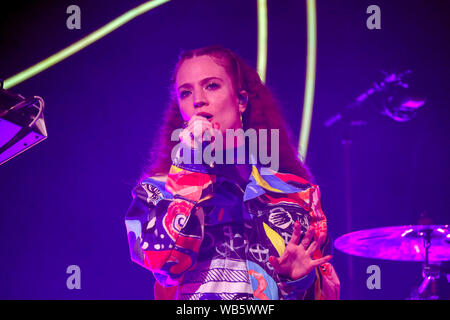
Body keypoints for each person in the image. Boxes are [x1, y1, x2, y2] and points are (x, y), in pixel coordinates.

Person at [125, 45, 340, 300]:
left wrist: (299, 281)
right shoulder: (155, 192)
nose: (198, 100)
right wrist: (192, 160)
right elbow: (166, 265)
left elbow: (327, 293)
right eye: (185, 92)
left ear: (241, 101)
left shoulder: (298, 195)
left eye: (212, 86)